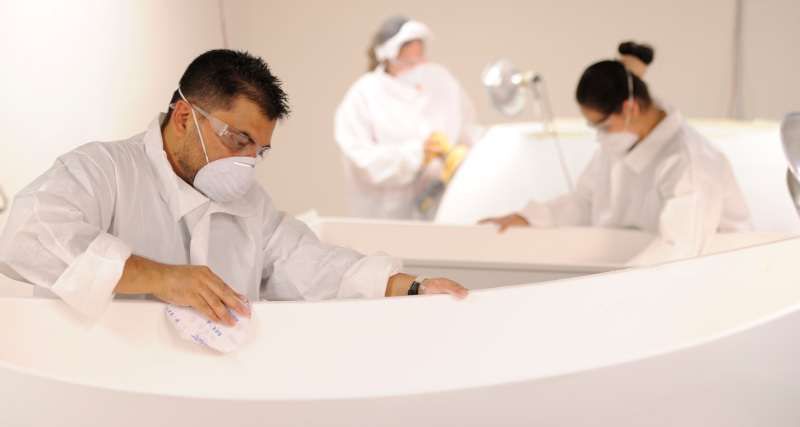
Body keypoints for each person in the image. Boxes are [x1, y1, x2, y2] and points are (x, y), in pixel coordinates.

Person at [0, 49, 468, 325]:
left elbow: (307, 263)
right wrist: (162, 277)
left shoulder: (248, 204)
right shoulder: (104, 170)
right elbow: (26, 235)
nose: (248, 162)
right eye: (239, 140)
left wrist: (412, 287)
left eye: (259, 150)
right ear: (185, 117)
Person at [480, 42, 753, 265]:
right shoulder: (620, 144)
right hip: (643, 272)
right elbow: (587, 201)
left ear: (630, 108)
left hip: (715, 275)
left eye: (604, 125)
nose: (600, 136)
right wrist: (533, 217)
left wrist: (616, 285)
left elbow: (679, 249)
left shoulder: (690, 162)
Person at [334, 15, 482, 220]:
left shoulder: (442, 80)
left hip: (443, 209)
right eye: (405, 61)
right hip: (387, 214)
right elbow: (361, 160)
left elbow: (467, 129)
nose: (415, 67)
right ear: (386, 59)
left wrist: (475, 148)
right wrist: (417, 154)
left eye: (419, 57)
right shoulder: (364, 95)